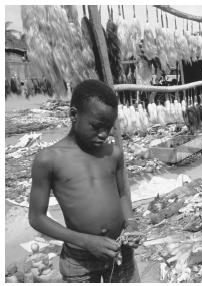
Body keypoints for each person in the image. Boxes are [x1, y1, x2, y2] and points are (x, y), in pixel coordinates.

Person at [28, 79, 141, 282]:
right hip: (80, 261)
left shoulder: (113, 153)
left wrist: (131, 223)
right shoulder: (49, 159)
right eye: (97, 126)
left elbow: (123, 192)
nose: (104, 134)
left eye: (109, 127)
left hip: (120, 249)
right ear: (73, 115)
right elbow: (37, 218)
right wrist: (86, 241)